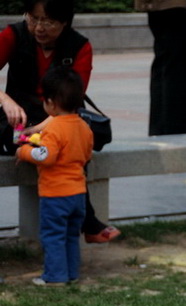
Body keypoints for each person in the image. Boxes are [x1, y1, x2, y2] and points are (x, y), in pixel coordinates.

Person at [0, 0, 120, 244]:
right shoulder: (14, 34)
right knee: (30, 140)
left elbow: (72, 100)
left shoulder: (80, 46)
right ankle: (87, 222)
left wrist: (45, 127)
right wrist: (5, 100)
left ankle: (78, 223)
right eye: (33, 19)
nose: (39, 27)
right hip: (18, 117)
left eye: (48, 22)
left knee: (67, 140)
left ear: (65, 22)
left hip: (61, 116)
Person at [16, 67, 93, 286]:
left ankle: (54, 276)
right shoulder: (83, 126)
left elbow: (46, 156)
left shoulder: (54, 128)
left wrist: (23, 151)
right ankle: (71, 273)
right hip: (78, 192)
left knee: (53, 236)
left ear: (50, 103)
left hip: (56, 194)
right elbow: (87, 154)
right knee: (70, 236)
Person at [135, 0, 186, 134]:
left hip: (161, 6)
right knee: (180, 65)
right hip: (178, 6)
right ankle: (175, 129)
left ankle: (161, 129)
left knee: (165, 61)